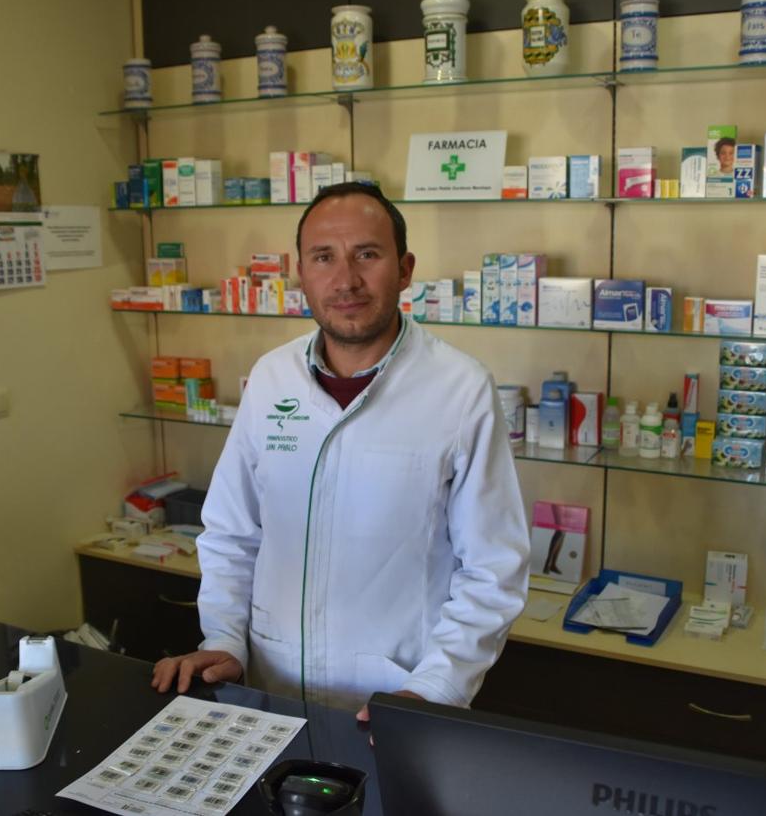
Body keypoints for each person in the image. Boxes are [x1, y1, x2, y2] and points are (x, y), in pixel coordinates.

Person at [151, 182, 530, 716]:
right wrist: (224, 640)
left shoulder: (461, 389)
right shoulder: (271, 379)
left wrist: (435, 689)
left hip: (399, 696)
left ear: (404, 269)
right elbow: (233, 534)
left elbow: (493, 567)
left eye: (367, 255)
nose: (346, 280)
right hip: (268, 686)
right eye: (323, 257)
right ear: (300, 272)